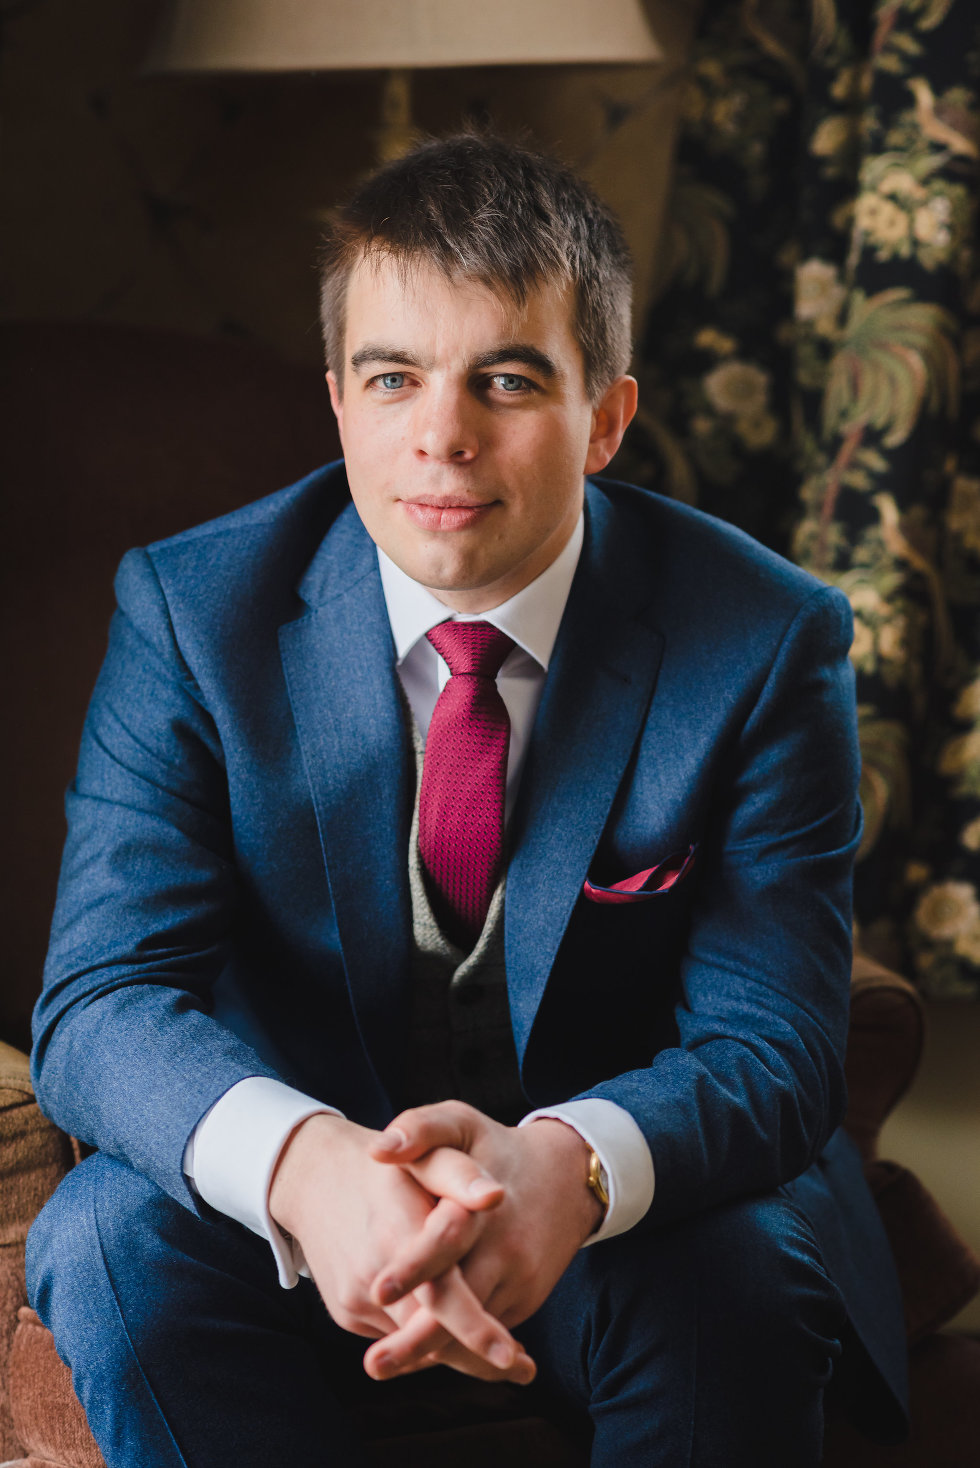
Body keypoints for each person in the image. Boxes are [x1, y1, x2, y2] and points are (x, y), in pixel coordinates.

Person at [27, 132, 907, 1466]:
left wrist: (570, 1165)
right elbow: (100, 1003)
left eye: (505, 378)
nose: (441, 434)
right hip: (305, 1203)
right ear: (337, 402)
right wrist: (312, 1171)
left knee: (745, 1275)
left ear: (605, 417)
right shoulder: (192, 614)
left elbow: (775, 1051)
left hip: (630, 1213)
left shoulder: (768, 639)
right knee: (103, 1240)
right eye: (394, 378)